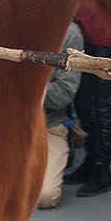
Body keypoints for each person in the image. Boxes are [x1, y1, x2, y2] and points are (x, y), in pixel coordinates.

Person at [64, 4, 111, 196]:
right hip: (82, 33)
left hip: (105, 36)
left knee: (101, 105)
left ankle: (102, 167)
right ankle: (91, 160)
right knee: (83, 104)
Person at [38, 21, 84, 209]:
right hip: (0, 127)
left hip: (48, 126)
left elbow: (65, 92)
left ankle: (67, 146)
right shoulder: (2, 22)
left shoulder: (69, 33)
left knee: (45, 197)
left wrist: (24, 87)